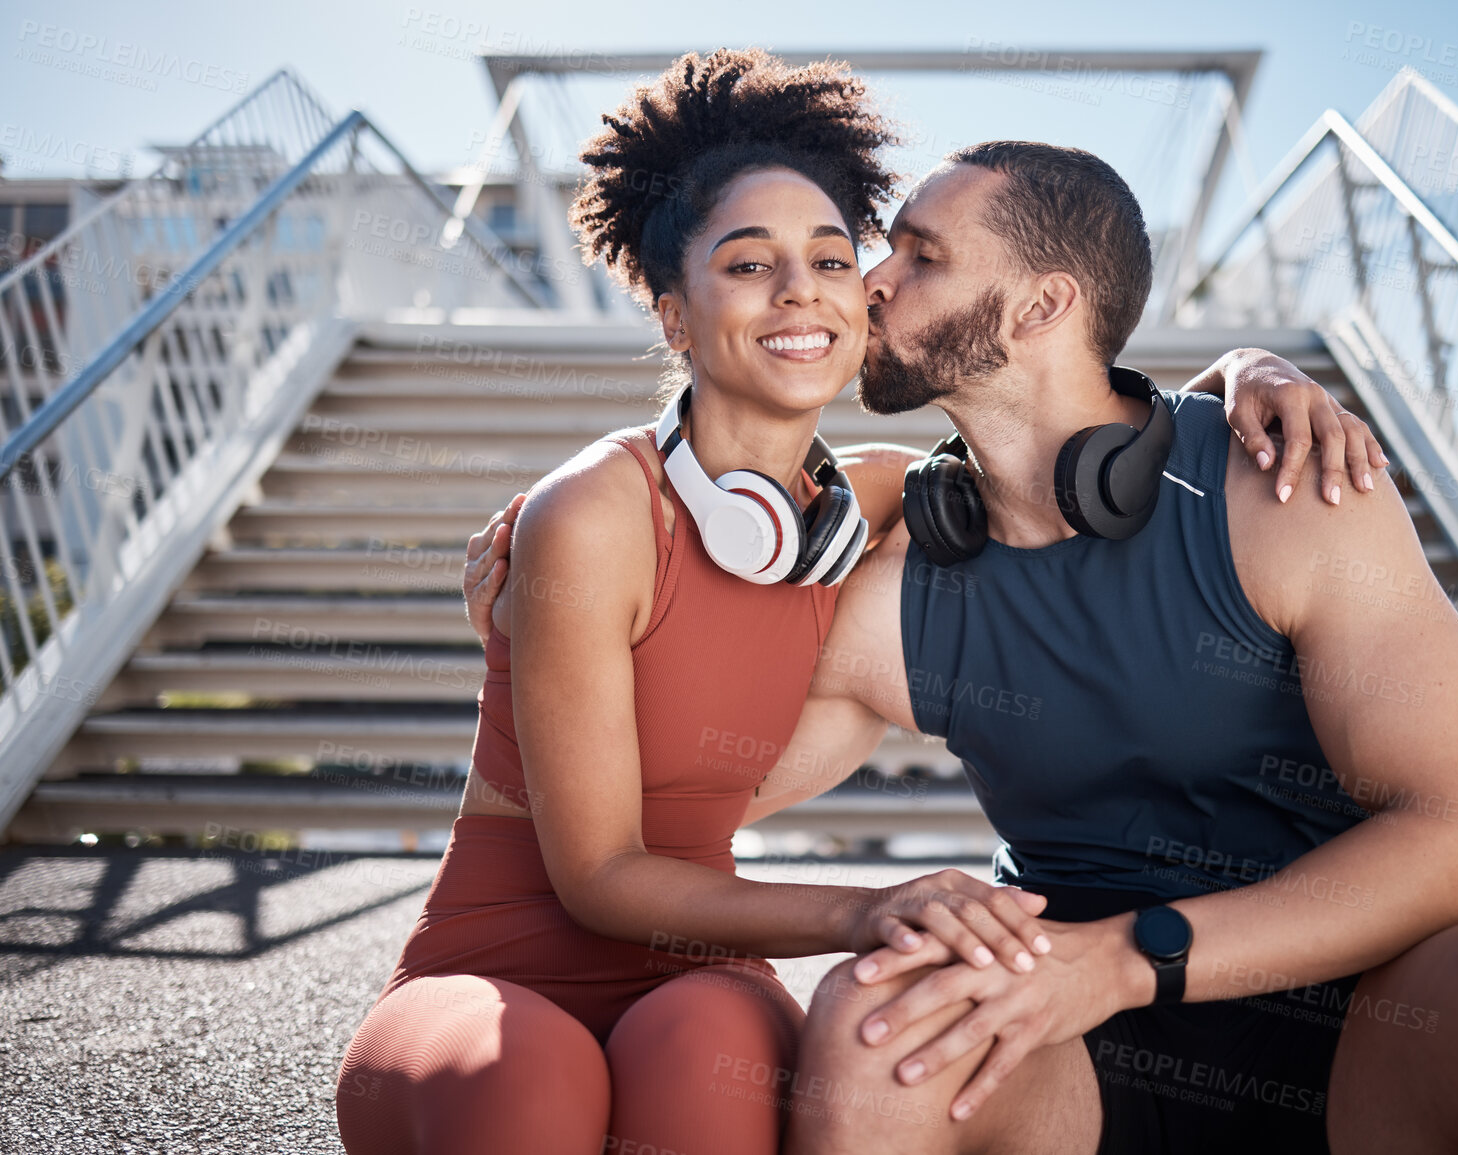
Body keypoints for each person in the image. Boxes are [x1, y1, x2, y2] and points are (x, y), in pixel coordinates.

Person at [470, 143, 1458, 1153]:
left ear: (1044, 305)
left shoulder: (1279, 485)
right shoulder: (897, 578)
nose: (868, 285)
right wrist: (555, 612)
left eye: (917, 254)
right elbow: (665, 802)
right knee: (875, 1020)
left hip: (1366, 1025)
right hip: (1060, 1036)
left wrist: (1126, 961)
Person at [340, 49, 1372, 1155]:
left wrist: (1251, 370)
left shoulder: (876, 499)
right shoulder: (592, 511)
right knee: (527, 1090)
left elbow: (1085, 434)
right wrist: (860, 908)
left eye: (835, 258)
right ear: (675, 314)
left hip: (693, 967)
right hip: (506, 955)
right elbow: (599, 875)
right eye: (747, 264)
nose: (809, 289)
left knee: (706, 1070)